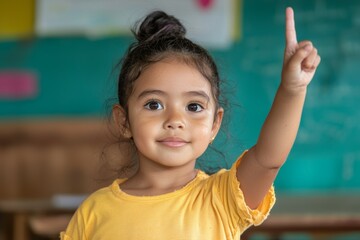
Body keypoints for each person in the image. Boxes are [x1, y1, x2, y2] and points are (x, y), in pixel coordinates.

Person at [60, 7, 320, 240]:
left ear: (214, 125)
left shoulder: (222, 199)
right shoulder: (94, 212)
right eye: (154, 104)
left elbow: (267, 159)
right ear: (124, 120)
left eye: (193, 107)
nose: (175, 121)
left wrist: (292, 89)